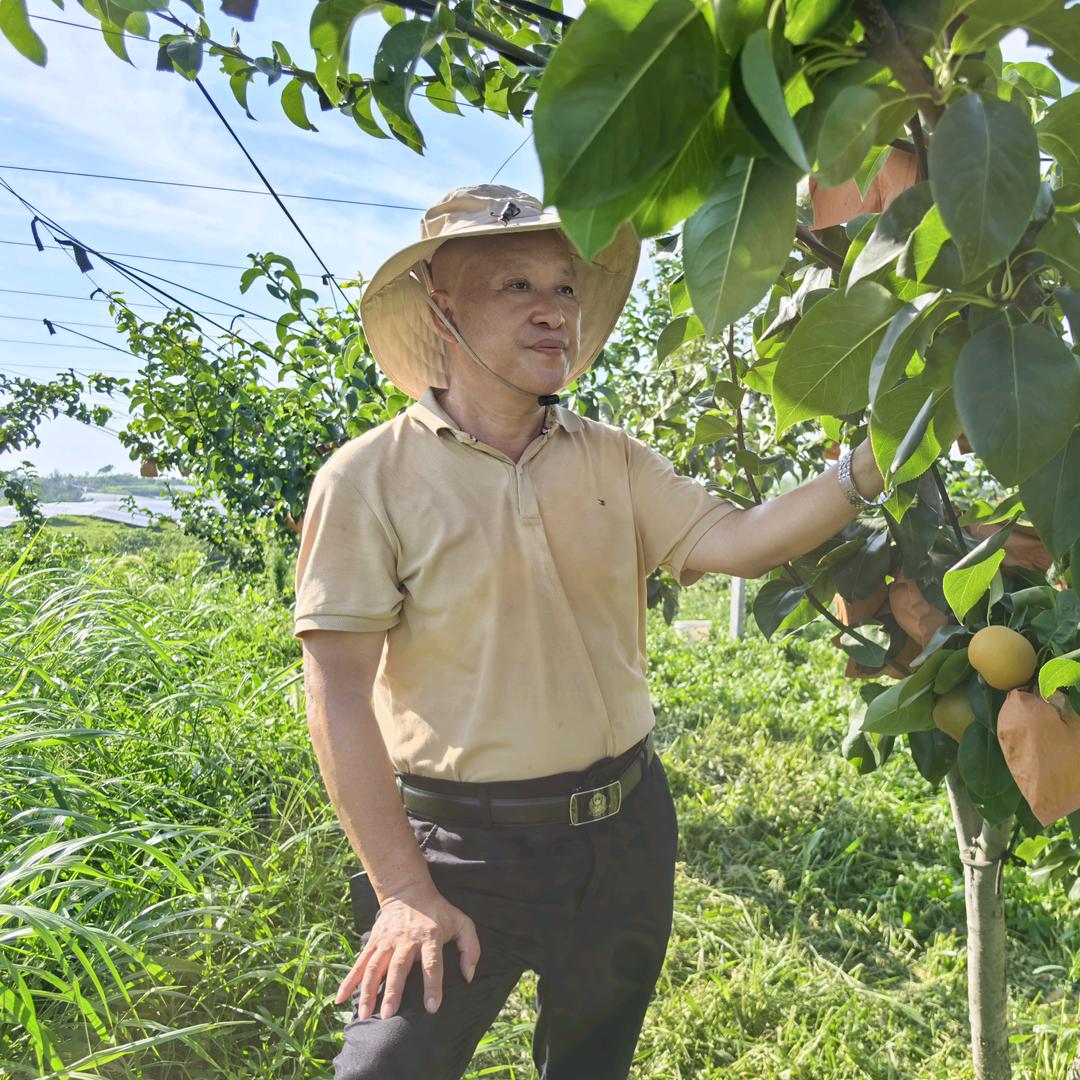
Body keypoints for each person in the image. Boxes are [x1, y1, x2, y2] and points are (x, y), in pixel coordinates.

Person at [293, 184, 887, 1079]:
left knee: (591, 1060)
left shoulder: (611, 456)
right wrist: (404, 891)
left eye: (564, 289)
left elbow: (741, 542)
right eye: (516, 287)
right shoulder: (369, 478)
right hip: (462, 850)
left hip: (624, 829)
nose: (552, 312)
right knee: (385, 1069)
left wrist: (877, 461)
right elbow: (336, 689)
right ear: (443, 311)